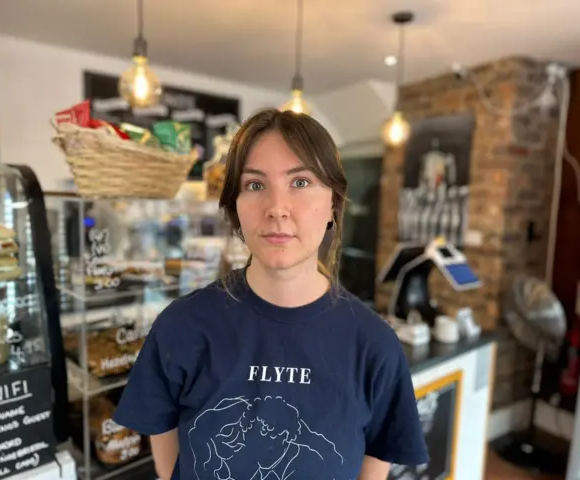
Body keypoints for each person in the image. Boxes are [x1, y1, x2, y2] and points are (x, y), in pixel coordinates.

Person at [113, 108, 428, 479]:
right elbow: (163, 439)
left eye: (300, 182)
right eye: (255, 185)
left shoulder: (375, 346)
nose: (277, 209)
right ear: (235, 208)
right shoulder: (182, 326)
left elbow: (377, 455)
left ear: (333, 204)